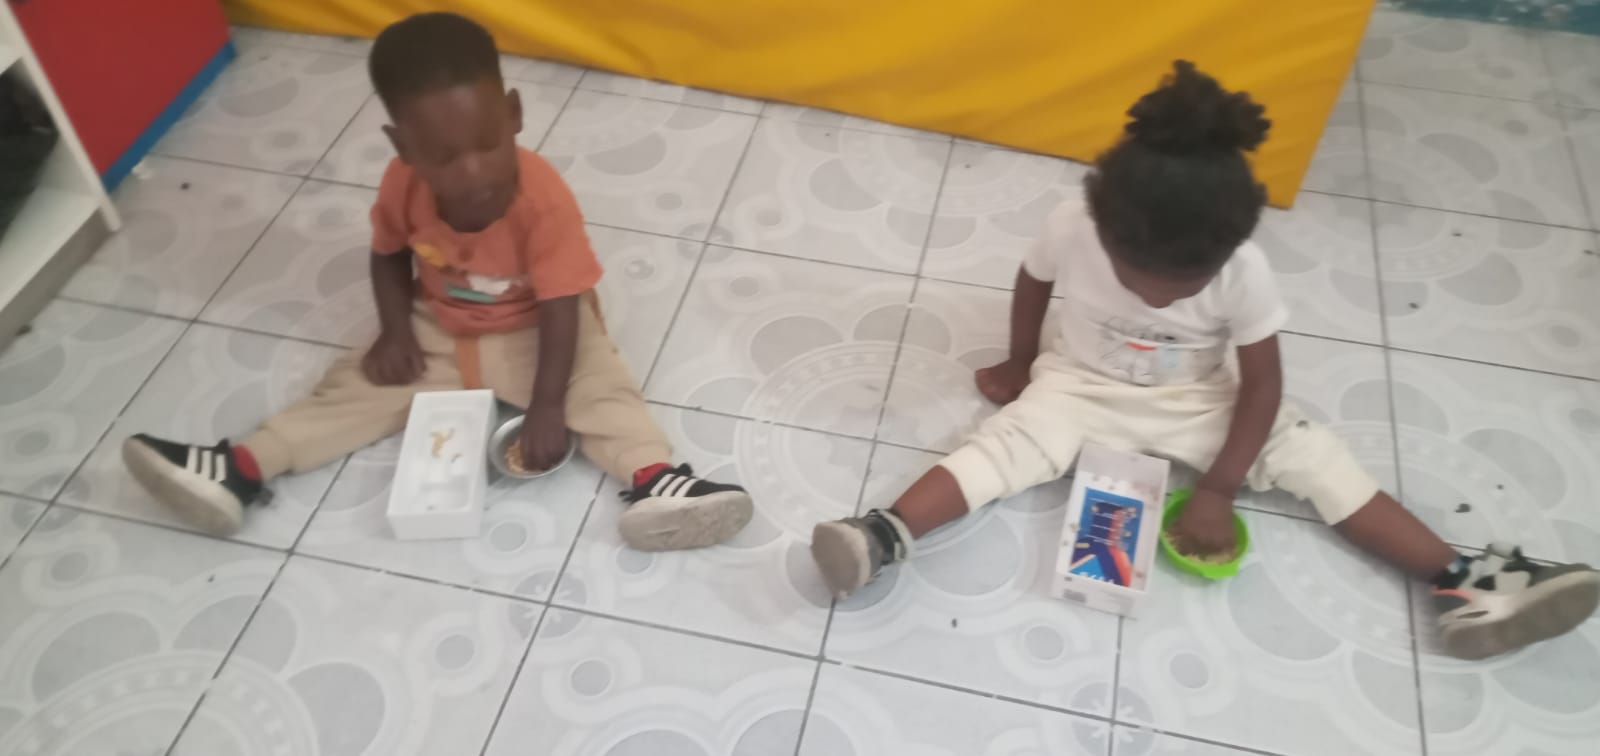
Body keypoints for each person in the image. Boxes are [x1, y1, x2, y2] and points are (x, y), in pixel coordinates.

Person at [810, 61, 1599, 660]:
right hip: (1078, 387)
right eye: (1138, 278)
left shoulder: (1245, 270)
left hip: (1200, 399)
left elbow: (1263, 385)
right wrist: (1019, 364)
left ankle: (1464, 581)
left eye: (1183, 284)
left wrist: (1220, 485)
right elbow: (1032, 282)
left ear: (1227, 249)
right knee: (1001, 447)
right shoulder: (1074, 219)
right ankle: (881, 534)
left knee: (1314, 456)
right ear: (1104, 228)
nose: (1158, 297)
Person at [121, 12, 753, 552]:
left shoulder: (544, 201)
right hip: (442, 325)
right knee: (356, 385)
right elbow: (387, 256)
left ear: (513, 115)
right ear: (403, 147)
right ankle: (241, 467)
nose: (473, 173)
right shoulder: (402, 186)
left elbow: (562, 303)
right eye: (445, 157)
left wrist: (547, 406)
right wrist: (396, 331)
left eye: (487, 144)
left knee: (601, 388)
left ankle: (657, 480)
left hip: (542, 326)